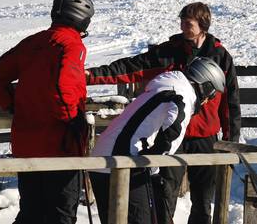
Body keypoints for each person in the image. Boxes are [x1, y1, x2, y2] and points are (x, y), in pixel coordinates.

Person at [86, 2, 241, 224]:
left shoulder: (220, 56)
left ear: (203, 24)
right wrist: (91, 76)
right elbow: (131, 68)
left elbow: (231, 101)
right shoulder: (169, 51)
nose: (183, 26)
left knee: (203, 200)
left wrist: (230, 140)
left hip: (204, 137)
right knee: (164, 194)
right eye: (182, 21)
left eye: (189, 22)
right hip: (171, 135)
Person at [0, 0, 95, 224]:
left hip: (27, 144)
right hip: (61, 146)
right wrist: (72, 119)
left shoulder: (34, 42)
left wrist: (13, 105)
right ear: (83, 18)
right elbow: (64, 84)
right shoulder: (72, 45)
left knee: (32, 213)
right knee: (61, 215)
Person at [89, 57, 226, 224]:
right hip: (124, 160)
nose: (207, 101)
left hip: (105, 158)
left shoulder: (167, 87)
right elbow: (170, 138)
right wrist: (153, 168)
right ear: (204, 85)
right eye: (211, 94)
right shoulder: (181, 95)